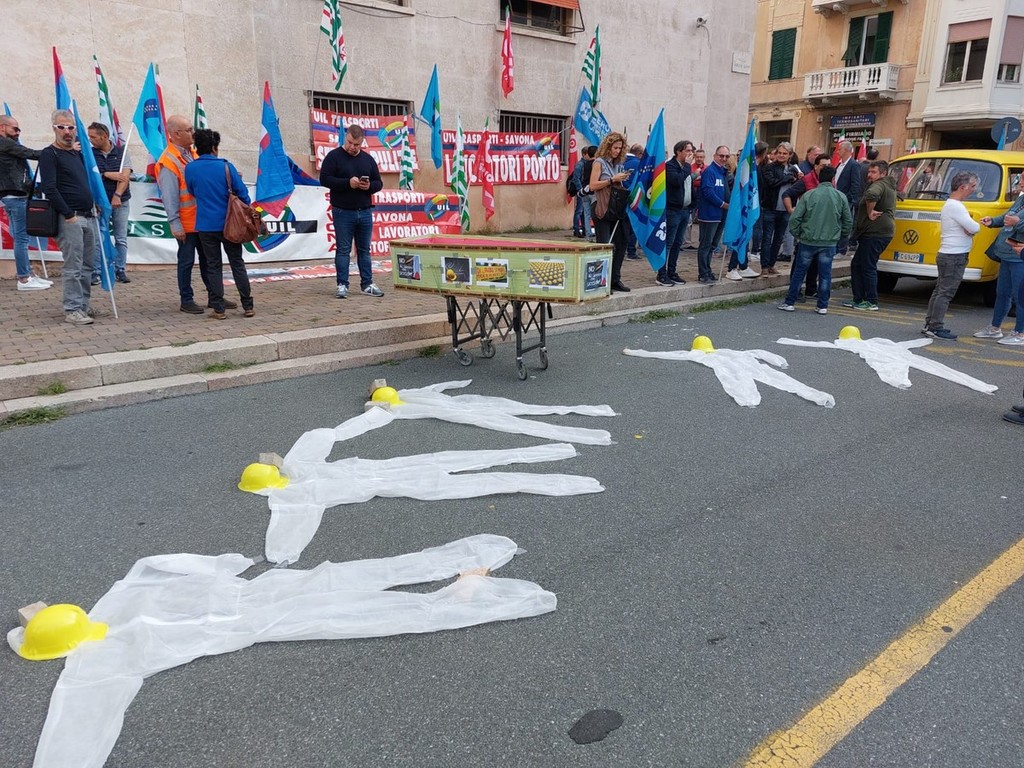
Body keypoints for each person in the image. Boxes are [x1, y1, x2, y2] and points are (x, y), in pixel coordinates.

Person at [184, 129, 255, 320]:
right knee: (237, 263)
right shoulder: (226, 166)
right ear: (215, 147)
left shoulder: (190, 168)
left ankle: (219, 309)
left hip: (205, 225)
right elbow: (243, 195)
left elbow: (192, 191)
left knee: (213, 266)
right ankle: (248, 305)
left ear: (197, 148)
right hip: (230, 223)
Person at [38, 110, 99, 325]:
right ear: (54, 128)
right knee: (73, 265)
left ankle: (82, 305)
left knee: (88, 266)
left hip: (89, 216)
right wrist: (68, 214)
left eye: (71, 127)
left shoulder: (76, 154)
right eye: (61, 127)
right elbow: (49, 188)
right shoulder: (50, 154)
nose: (67, 131)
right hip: (70, 218)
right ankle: (72, 309)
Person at [157, 114, 215, 314]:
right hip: (186, 223)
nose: (193, 133)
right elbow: (169, 196)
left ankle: (215, 295)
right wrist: (175, 223)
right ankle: (186, 300)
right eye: (189, 130)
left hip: (202, 219)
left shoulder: (194, 154)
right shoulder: (168, 161)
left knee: (208, 260)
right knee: (186, 262)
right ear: (176, 134)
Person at [320, 124, 385, 298]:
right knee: (343, 249)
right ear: (345, 137)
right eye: (349, 142)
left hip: (365, 211)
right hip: (342, 211)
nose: (352, 147)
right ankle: (342, 284)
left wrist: (369, 186)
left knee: (364, 250)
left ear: (362, 142)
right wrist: (347, 183)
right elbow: (324, 179)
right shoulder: (334, 156)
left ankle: (367, 284)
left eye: (356, 144)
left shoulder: (368, 159)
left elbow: (379, 183)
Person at [777, 165, 851, 314]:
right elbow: (847, 221)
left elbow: (795, 218)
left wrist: (798, 234)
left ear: (819, 178)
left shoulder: (809, 195)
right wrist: (841, 236)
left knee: (799, 273)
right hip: (829, 241)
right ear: (833, 179)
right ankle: (822, 305)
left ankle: (790, 302)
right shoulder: (840, 197)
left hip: (808, 240)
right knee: (825, 274)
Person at [921, 171, 981, 340]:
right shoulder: (956, 206)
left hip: (947, 253)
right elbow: (974, 227)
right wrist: (972, 229)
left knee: (939, 290)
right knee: (945, 293)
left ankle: (930, 324)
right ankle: (935, 326)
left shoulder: (950, 204)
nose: (974, 190)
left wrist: (969, 228)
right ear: (963, 187)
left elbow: (969, 227)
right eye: (972, 186)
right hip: (955, 254)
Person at [0, 113, 52, 291]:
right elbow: (31, 153)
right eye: (15, 129)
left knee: (20, 237)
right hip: (15, 198)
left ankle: (27, 274)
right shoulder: (5, 143)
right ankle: (24, 278)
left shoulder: (7, 144)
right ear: (2, 127)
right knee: (21, 238)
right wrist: (56, 150)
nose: (18, 132)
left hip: (13, 197)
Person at [974, 175, 1024, 345]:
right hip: (1007, 253)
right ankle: (995, 328)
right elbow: (1007, 216)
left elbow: (1015, 221)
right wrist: (993, 221)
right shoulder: (1021, 199)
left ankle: (1020, 333)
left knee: (1020, 296)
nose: (1019, 182)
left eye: (1023, 179)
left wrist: (1017, 223)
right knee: (1002, 293)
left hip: (1019, 257)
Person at [844, 160, 897, 311]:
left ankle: (871, 301)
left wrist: (869, 212)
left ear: (883, 173)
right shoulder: (887, 185)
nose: (869, 174)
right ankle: (859, 298)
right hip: (876, 232)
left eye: (873, 172)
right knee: (857, 264)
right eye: (869, 171)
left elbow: (872, 195)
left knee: (867, 266)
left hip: (875, 232)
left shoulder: (878, 185)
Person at [86, 122, 132, 285]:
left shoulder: (122, 152)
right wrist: (106, 174)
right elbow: (90, 175)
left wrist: (117, 195)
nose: (90, 140)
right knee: (98, 237)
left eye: (93, 137)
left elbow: (124, 176)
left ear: (104, 136)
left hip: (121, 201)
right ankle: (97, 271)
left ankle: (120, 269)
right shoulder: (90, 154)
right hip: (99, 202)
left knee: (121, 238)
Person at [782, 153, 831, 297]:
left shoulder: (830, 182)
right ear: (815, 167)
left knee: (816, 262)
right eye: (823, 166)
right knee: (801, 262)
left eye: (829, 165)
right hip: (807, 228)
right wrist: (791, 210)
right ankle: (795, 291)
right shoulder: (807, 180)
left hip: (822, 227)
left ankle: (811, 289)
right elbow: (787, 194)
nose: (826, 168)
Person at [589, 131, 632, 292]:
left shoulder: (618, 164)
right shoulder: (599, 162)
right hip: (601, 206)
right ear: (608, 147)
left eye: (620, 148)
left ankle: (615, 279)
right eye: (615, 148)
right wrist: (612, 180)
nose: (617, 151)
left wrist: (622, 179)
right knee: (604, 245)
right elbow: (593, 185)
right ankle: (601, 281)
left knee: (622, 242)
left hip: (616, 207)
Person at [759, 142, 802, 275]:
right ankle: (764, 266)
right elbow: (771, 183)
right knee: (767, 238)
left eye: (785, 153)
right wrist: (787, 178)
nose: (781, 155)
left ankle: (771, 264)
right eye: (779, 153)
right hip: (770, 208)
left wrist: (798, 180)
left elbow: (797, 188)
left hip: (786, 209)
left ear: (790, 155)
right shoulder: (769, 167)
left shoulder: (794, 169)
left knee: (778, 239)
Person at [658, 140, 693, 286]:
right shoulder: (670, 166)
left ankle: (672, 271)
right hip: (673, 210)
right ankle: (661, 273)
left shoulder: (686, 168)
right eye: (687, 150)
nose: (690, 154)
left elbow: (689, 186)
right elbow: (677, 181)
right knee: (669, 243)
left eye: (691, 150)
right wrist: (688, 166)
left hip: (685, 210)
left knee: (678, 243)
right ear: (679, 152)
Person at [695, 145, 731, 284]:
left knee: (713, 244)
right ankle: (703, 273)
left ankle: (708, 270)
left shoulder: (723, 172)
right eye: (721, 156)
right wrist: (723, 204)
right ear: (715, 156)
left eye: (726, 156)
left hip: (721, 214)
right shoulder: (710, 171)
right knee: (706, 244)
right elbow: (707, 192)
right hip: (709, 215)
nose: (724, 158)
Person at [832, 140, 863, 256]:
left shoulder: (853, 165)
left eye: (839, 149)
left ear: (846, 150)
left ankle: (841, 248)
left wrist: (849, 199)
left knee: (844, 224)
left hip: (845, 200)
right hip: (835, 199)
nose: (837, 151)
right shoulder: (839, 164)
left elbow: (855, 184)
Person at [622, 143, 643, 260]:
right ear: (639, 154)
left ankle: (621, 249)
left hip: (621, 196)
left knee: (623, 225)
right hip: (634, 198)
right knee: (633, 225)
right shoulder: (638, 163)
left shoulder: (621, 162)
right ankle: (631, 251)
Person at [572, 145, 596, 240]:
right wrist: (580, 190)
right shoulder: (581, 164)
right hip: (585, 191)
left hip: (585, 190)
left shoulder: (586, 163)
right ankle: (577, 229)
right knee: (580, 211)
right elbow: (576, 178)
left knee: (585, 213)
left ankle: (586, 231)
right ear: (584, 154)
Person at [686, 148, 705, 247]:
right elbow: (688, 181)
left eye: (701, 157)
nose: (699, 159)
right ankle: (687, 242)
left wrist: (696, 180)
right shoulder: (689, 167)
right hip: (692, 196)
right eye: (697, 157)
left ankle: (702, 241)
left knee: (703, 220)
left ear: (704, 158)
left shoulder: (707, 168)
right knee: (689, 220)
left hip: (703, 197)